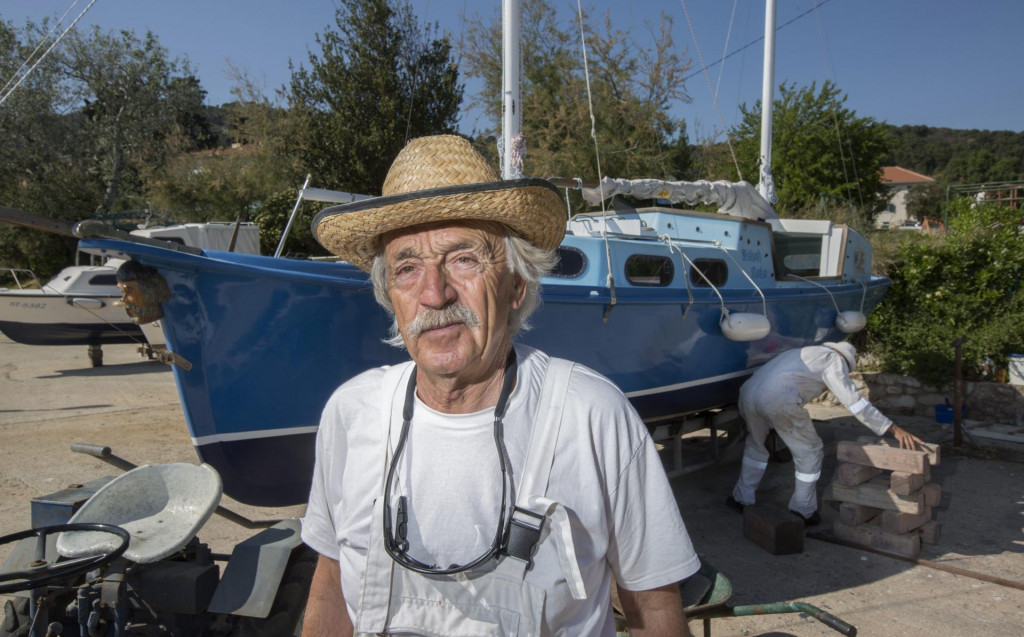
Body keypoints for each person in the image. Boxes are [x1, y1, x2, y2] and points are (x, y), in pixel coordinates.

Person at [300, 134, 700, 636]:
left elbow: (653, 609)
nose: (434, 293)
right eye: (407, 268)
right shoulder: (351, 412)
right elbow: (333, 579)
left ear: (516, 284)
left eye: (463, 258)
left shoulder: (591, 414)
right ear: (390, 297)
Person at [728, 341, 923, 526]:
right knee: (810, 452)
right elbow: (854, 401)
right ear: (847, 362)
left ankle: (742, 498)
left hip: (747, 394)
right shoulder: (833, 359)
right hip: (777, 399)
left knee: (756, 446)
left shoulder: (801, 353)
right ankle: (803, 510)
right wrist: (892, 428)